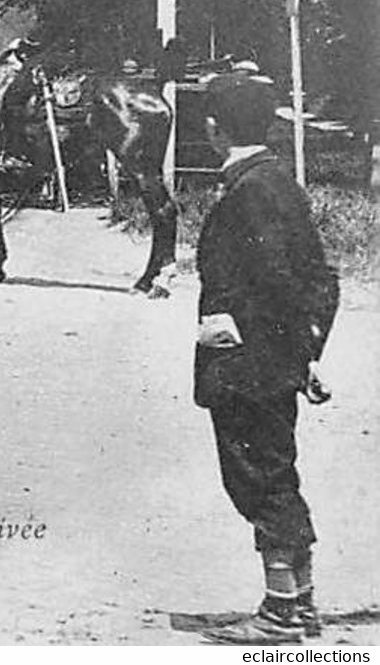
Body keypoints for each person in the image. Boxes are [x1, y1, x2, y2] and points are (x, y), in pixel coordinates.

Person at [192, 71, 339, 645]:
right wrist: (308, 351)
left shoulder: (252, 190)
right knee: (272, 473)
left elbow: (283, 279)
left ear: (213, 128)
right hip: (271, 357)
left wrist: (273, 343)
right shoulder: (273, 181)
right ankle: (297, 604)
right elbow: (322, 280)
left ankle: (281, 616)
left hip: (249, 364)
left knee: (259, 478)